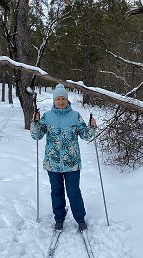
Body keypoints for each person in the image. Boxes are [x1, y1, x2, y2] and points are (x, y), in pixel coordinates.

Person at [30, 83, 96, 231]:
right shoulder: (47, 117)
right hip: (52, 163)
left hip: (72, 163)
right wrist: (35, 122)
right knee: (57, 191)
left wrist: (92, 127)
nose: (61, 101)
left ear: (67, 100)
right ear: (54, 100)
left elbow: (86, 136)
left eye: (63, 99)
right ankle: (59, 218)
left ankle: (80, 219)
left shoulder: (75, 116)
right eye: (58, 98)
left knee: (73, 192)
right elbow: (36, 135)